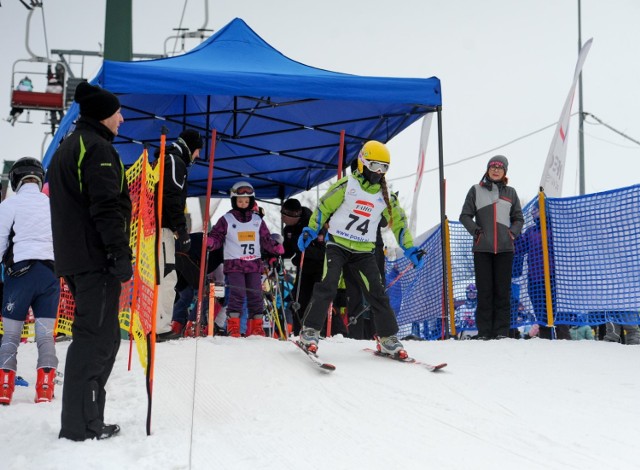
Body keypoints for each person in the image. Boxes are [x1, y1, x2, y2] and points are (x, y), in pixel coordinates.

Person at [48, 81, 132, 441]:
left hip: (77, 258)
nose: (122, 120)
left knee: (101, 337)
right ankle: (81, 426)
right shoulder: (95, 148)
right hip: (94, 260)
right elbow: (106, 208)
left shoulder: (70, 145)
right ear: (102, 115)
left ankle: (86, 419)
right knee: (96, 340)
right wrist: (118, 254)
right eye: (117, 113)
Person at [298, 140, 424, 359]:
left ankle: (387, 338)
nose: (379, 172)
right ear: (363, 163)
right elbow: (323, 207)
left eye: (384, 168)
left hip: (364, 251)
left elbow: (399, 223)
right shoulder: (348, 186)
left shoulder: (385, 197)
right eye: (375, 166)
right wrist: (310, 230)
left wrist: (410, 248)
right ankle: (309, 331)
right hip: (337, 245)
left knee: (377, 291)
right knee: (327, 286)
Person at [0, 158, 59, 405]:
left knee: (11, 336)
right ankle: (44, 388)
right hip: (49, 275)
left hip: (20, 276)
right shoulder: (53, 204)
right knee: (45, 336)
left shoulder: (9, 205)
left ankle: (4, 387)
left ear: (16, 179)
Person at [206, 182, 284, 337]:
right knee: (238, 294)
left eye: (246, 201)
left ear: (251, 201)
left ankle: (256, 327)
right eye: (240, 201)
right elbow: (217, 237)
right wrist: (211, 243)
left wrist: (275, 248)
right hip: (234, 264)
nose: (243, 204)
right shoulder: (227, 219)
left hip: (253, 264)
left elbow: (265, 239)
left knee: (256, 296)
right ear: (234, 201)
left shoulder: (257, 220)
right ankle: (233, 326)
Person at [460, 155, 524, 340]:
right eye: (492, 166)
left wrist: (512, 233)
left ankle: (501, 333)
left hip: (505, 250)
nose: (496, 170)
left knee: (503, 292)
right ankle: (485, 333)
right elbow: (465, 216)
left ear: (505, 172)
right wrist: (477, 232)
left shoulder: (511, 192)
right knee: (485, 291)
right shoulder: (475, 190)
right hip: (482, 250)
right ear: (487, 169)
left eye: (500, 167)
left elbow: (519, 218)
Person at [155, 129, 203, 342]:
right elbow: (172, 196)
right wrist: (180, 228)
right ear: (191, 147)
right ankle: (160, 327)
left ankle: (157, 324)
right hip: (162, 227)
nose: (198, 156)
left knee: (162, 274)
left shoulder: (168, 158)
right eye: (198, 151)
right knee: (167, 275)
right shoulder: (175, 161)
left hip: (157, 226)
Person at [513, 201, 571, 340]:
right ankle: (546, 342)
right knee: (541, 315)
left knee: (557, 314)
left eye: (536, 209)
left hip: (552, 278)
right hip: (534, 279)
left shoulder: (554, 229)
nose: (533, 212)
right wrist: (516, 233)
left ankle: (565, 342)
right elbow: (520, 249)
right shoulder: (531, 231)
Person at [280, 198, 325, 334]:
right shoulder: (288, 229)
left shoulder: (312, 223)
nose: (282, 218)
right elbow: (287, 251)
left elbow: (322, 251)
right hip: (303, 267)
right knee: (299, 298)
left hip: (318, 268)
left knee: (316, 300)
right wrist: (276, 251)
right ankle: (298, 330)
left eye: (285, 216)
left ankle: (319, 331)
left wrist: (301, 248)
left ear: (294, 216)